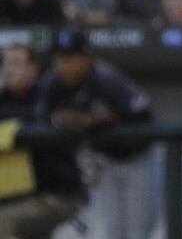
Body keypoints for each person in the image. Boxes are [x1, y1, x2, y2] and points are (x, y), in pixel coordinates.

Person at [36, 29, 159, 239]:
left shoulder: (107, 79)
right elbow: (41, 117)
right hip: (104, 161)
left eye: (68, 57)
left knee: (138, 232)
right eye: (58, 58)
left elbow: (144, 113)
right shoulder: (52, 83)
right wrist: (62, 118)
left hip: (139, 160)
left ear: (85, 58)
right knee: (114, 232)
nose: (61, 64)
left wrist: (103, 119)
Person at [0, 43, 86, 238]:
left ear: (33, 68)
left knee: (2, 221)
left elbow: (46, 114)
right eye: (5, 63)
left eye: (15, 63)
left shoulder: (48, 92)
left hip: (58, 195)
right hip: (19, 197)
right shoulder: (4, 99)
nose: (8, 70)